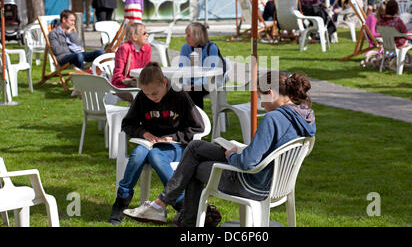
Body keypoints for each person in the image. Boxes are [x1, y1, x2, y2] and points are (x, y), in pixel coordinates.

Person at [122, 70, 316, 227]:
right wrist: (239, 151)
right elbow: (266, 152)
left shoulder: (274, 118)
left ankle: (171, 212)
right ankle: (167, 209)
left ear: (271, 92)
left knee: (194, 168)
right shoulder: (306, 117)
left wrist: (232, 155)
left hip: (252, 184)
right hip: (276, 182)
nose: (261, 104)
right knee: (196, 147)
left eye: (261, 97)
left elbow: (247, 163)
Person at [109, 62, 205, 225]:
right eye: (147, 94)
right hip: (149, 143)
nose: (152, 97)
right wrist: (143, 133)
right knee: (138, 154)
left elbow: (198, 126)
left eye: (155, 92)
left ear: (164, 83)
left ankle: (180, 203)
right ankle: (121, 201)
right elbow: (128, 124)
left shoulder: (179, 96)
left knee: (155, 155)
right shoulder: (141, 98)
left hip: (175, 146)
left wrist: (174, 137)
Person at [179, 22, 225, 109]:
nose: (186, 38)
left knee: (195, 91)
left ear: (197, 36)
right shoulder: (185, 48)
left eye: (188, 35)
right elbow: (182, 69)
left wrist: (194, 85)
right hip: (191, 81)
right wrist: (185, 84)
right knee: (173, 90)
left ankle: (198, 119)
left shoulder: (211, 48)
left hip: (210, 81)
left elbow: (210, 73)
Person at [376, 0, 412, 71]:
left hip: (387, 43)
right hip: (399, 43)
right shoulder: (397, 21)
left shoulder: (380, 21)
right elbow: (406, 34)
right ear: (396, 9)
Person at [111, 22, 152, 89]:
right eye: (144, 33)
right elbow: (117, 76)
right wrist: (128, 81)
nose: (147, 35)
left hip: (141, 82)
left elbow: (148, 69)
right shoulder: (124, 48)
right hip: (124, 85)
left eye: (147, 33)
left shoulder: (147, 47)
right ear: (134, 37)